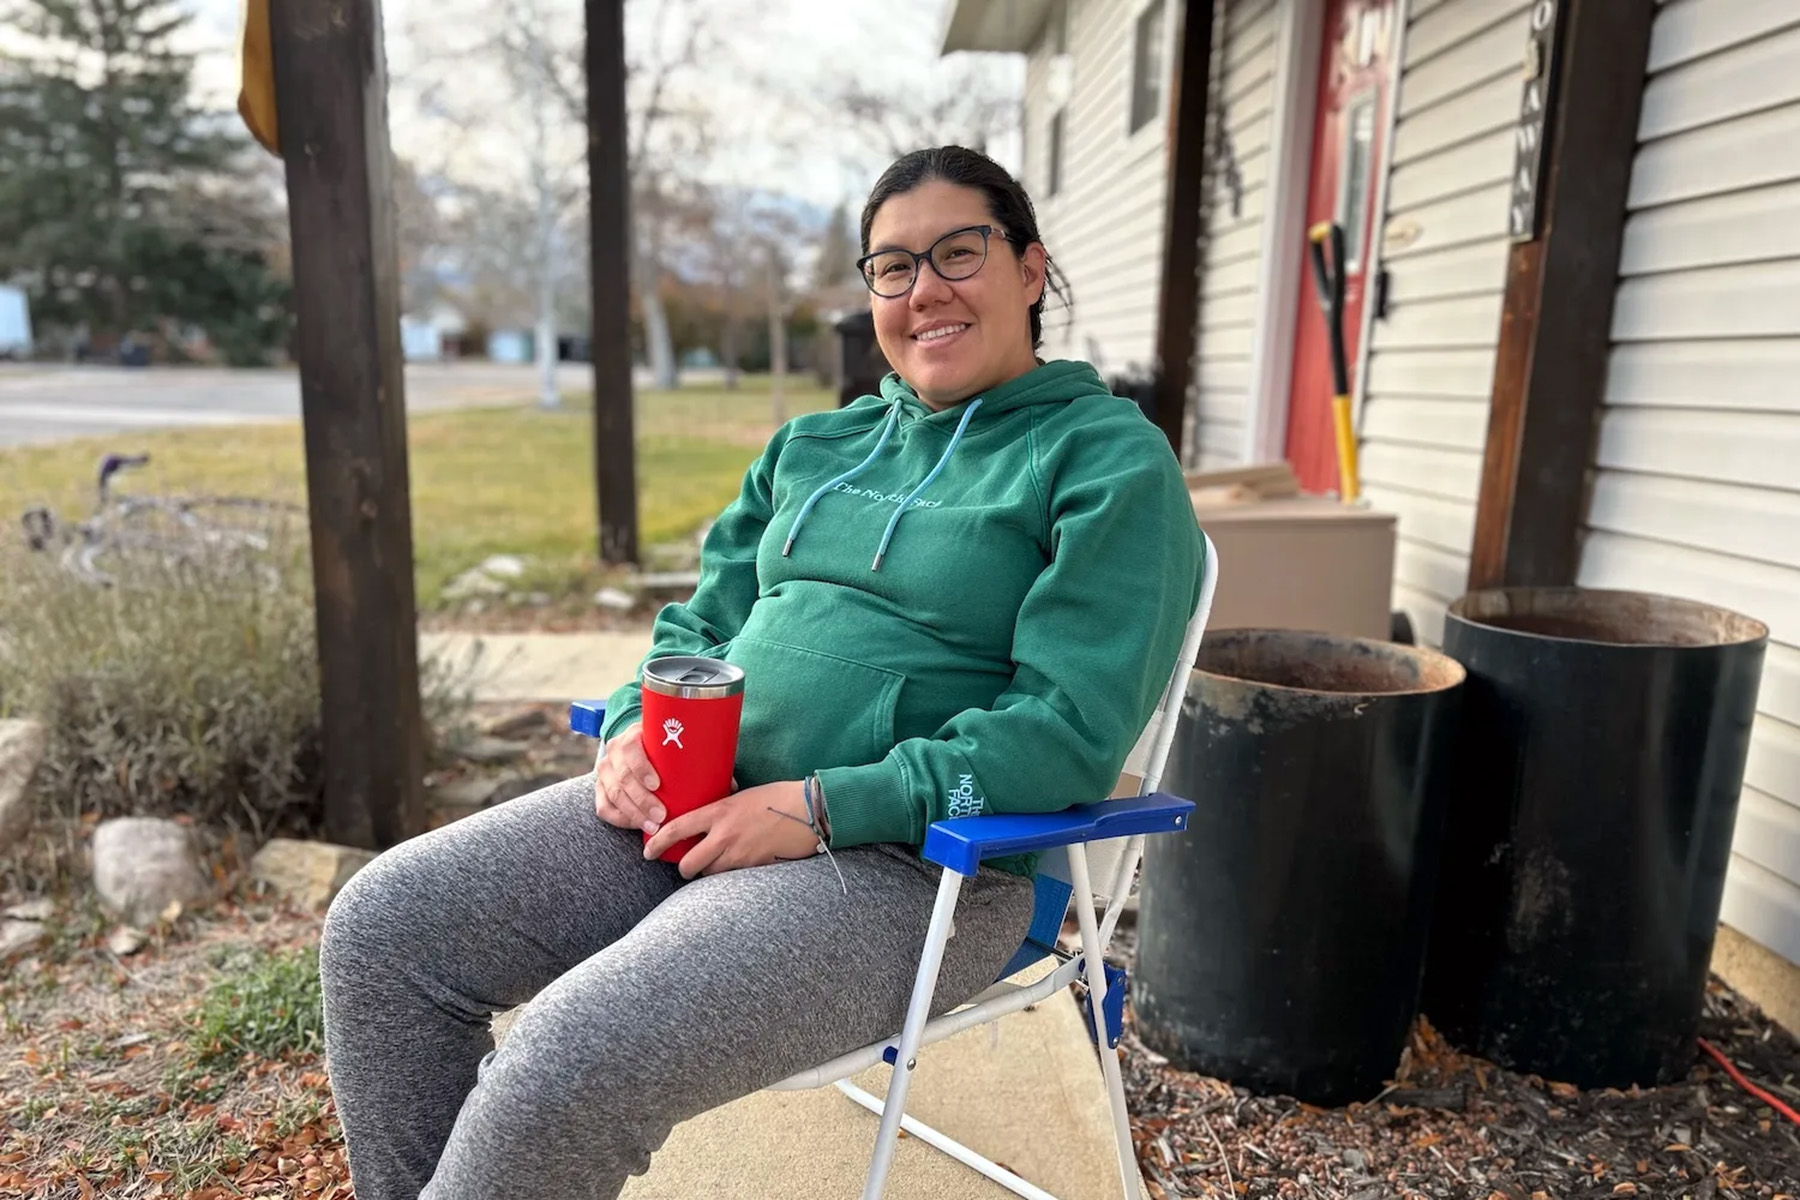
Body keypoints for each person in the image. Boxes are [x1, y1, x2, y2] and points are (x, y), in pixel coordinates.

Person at [318, 144, 1205, 1200]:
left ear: (1028, 270)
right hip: (699, 807)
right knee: (383, 930)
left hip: (917, 869)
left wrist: (825, 807)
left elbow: (1062, 732)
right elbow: (699, 624)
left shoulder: (1105, 461)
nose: (924, 290)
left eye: (958, 253)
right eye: (892, 266)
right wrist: (637, 729)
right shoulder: (814, 447)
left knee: (573, 1054)